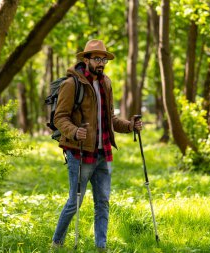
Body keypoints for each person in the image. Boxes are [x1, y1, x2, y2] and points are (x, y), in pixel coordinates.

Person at [51, 39, 142, 251]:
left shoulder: (106, 83)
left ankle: (101, 247)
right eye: (97, 58)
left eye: (104, 59)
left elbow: (109, 118)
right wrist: (74, 131)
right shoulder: (71, 84)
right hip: (80, 153)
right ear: (86, 59)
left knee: (103, 203)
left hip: (104, 153)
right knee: (75, 203)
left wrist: (129, 126)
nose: (101, 63)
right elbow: (60, 117)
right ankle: (56, 243)